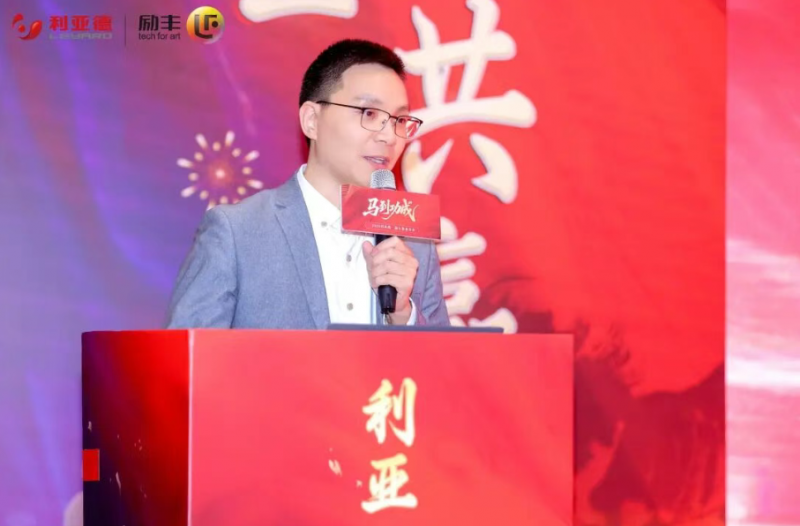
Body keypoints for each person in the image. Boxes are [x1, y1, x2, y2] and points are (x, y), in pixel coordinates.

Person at [164, 39, 450, 329]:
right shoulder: (237, 232)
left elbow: (445, 356)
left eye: (399, 119)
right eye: (369, 114)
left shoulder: (415, 246)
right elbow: (188, 352)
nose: (389, 137)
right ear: (312, 120)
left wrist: (403, 315)